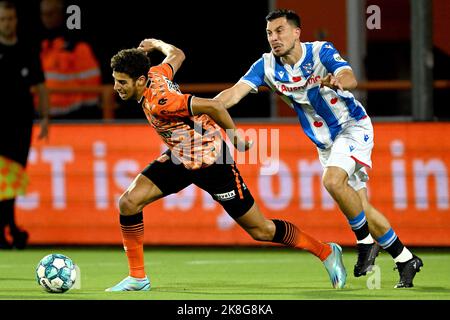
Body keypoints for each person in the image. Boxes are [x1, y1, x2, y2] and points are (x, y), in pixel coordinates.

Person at [105, 38, 347, 291]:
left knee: (261, 230)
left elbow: (214, 105)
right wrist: (155, 43)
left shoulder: (161, 101)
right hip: (181, 157)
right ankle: (137, 278)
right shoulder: (156, 72)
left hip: (212, 161)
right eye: (115, 80)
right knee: (129, 202)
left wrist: (236, 139)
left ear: (141, 81)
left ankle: (326, 251)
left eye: (122, 82)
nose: (116, 87)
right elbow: (177, 54)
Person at [213, 9, 423, 288]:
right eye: (269, 33)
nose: (273, 38)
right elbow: (234, 93)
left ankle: (365, 244)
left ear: (296, 33)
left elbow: (350, 77)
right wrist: (206, 106)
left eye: (279, 31)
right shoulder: (265, 66)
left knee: (332, 181)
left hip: (352, 126)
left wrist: (339, 81)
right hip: (325, 144)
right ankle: (405, 258)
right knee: (361, 207)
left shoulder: (319, 51)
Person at [0, 1, 49, 249]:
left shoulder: (26, 49)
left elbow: (40, 84)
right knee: (3, 178)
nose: (7, 23)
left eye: (10, 18)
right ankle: (9, 228)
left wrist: (46, 117)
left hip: (21, 123)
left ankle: (9, 226)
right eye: (3, 19)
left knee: (14, 178)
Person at [39, 0, 102, 119]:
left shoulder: (77, 47)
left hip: (71, 116)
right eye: (44, 14)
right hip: (42, 117)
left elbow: (91, 86)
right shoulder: (41, 46)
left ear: (61, 14)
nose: (47, 18)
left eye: (51, 13)